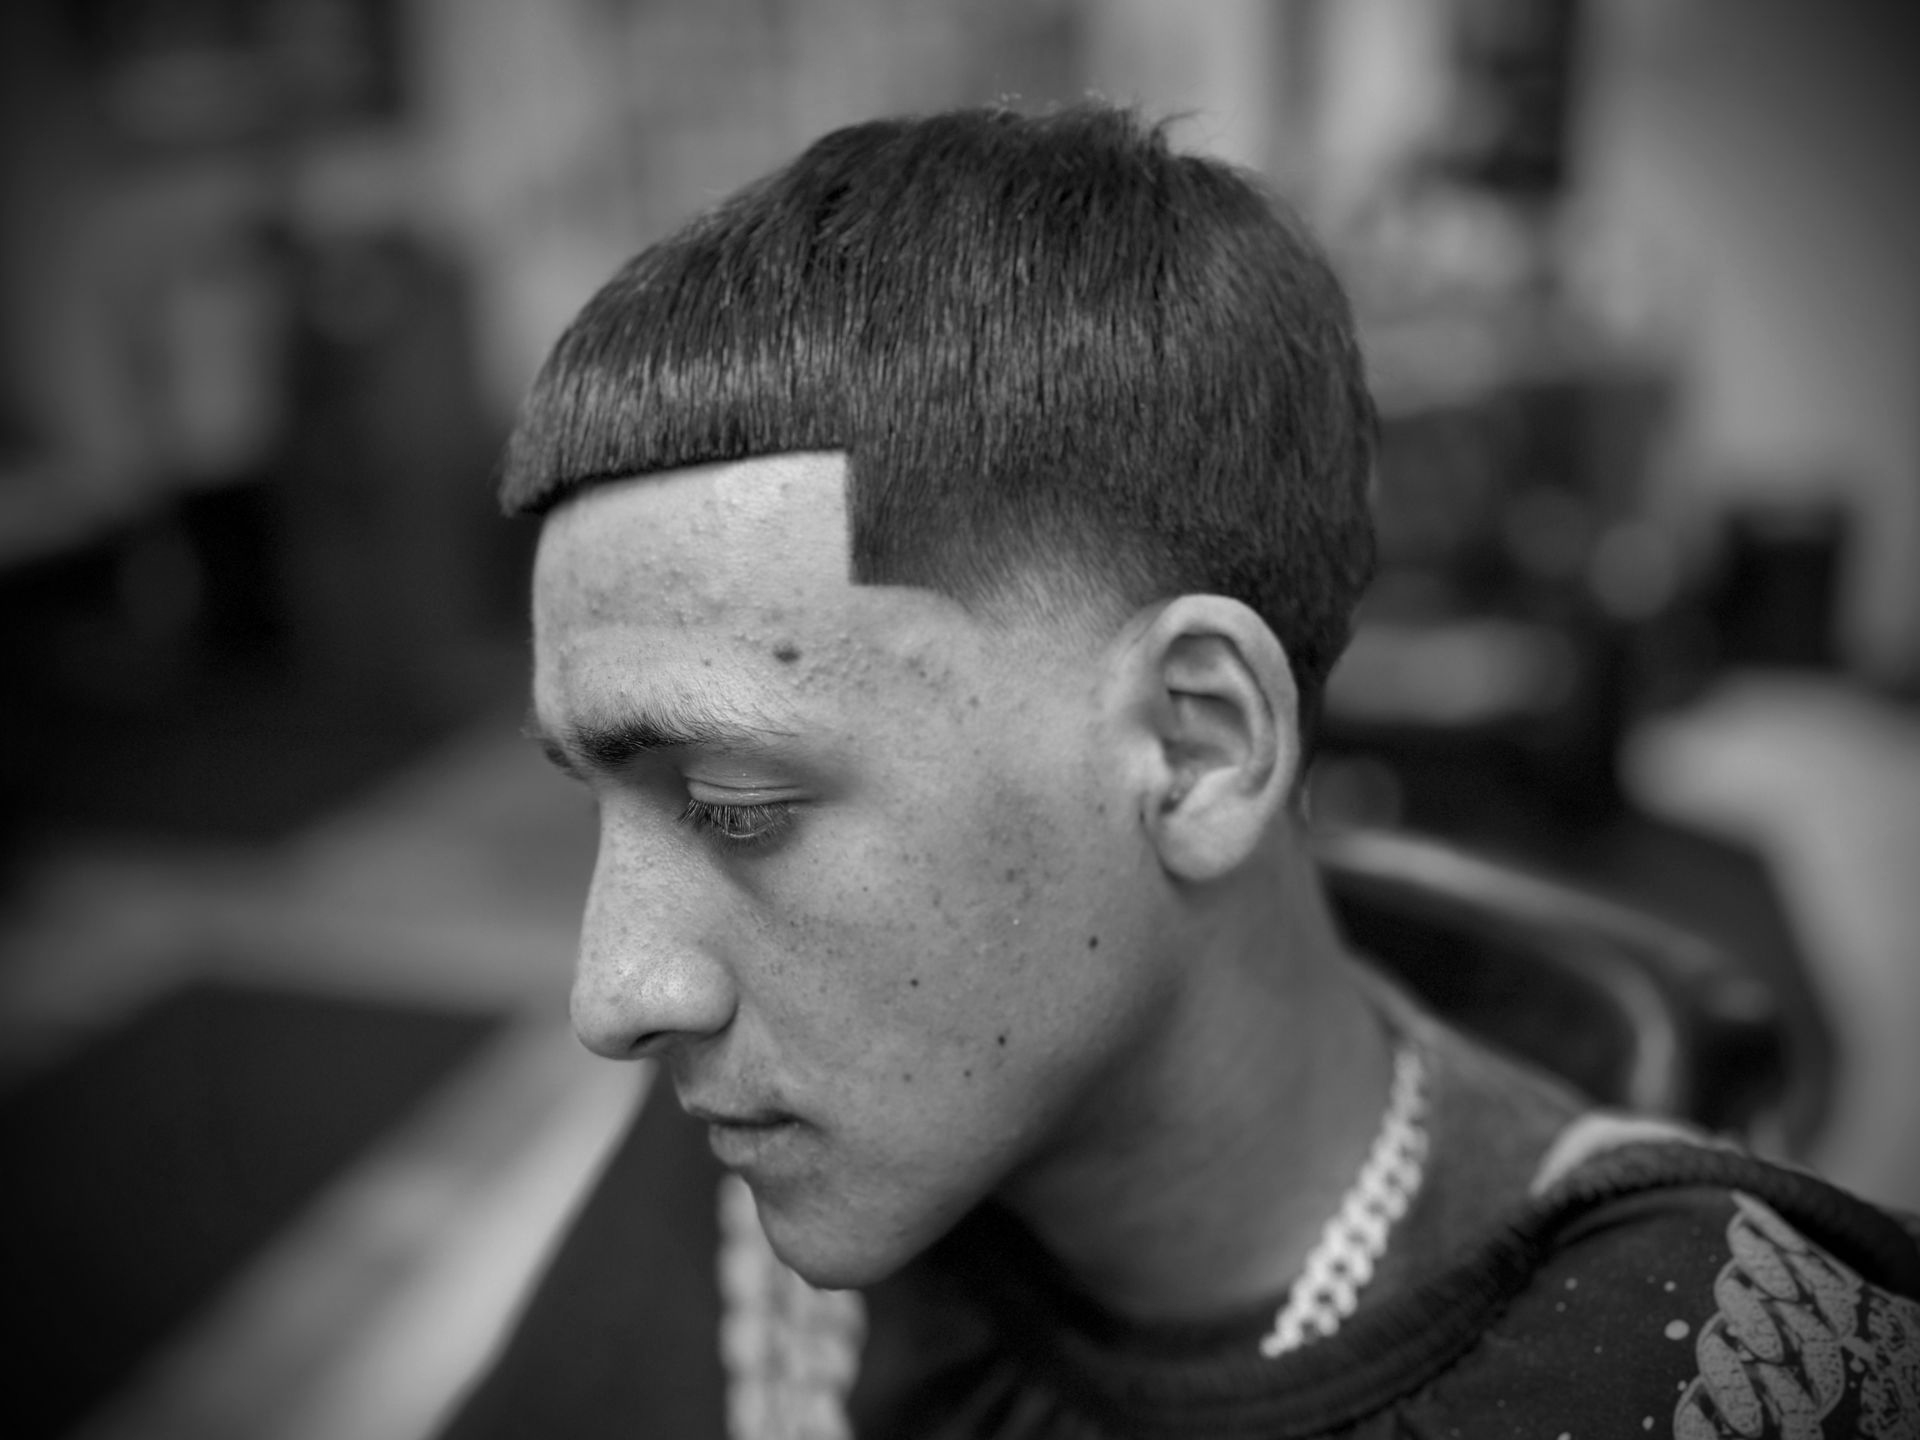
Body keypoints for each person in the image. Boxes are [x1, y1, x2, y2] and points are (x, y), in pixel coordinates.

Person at [444, 105, 1920, 1439]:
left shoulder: (1719, 1382)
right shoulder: (766, 1125)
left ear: (1196, 747)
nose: (617, 994)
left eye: (736, 808)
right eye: (601, 800)